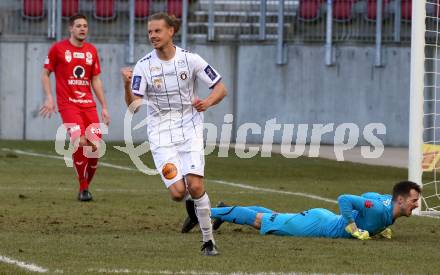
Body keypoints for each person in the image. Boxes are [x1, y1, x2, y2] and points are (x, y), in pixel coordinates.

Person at [120, 12, 227, 256]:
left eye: (157, 31)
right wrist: (127, 85)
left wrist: (208, 102)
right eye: (149, 32)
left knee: (196, 185)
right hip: (160, 134)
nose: (152, 36)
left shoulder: (191, 60)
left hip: (190, 129)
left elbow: (221, 88)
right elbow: (133, 107)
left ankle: (208, 241)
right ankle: (197, 208)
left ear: (171, 32)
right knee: (179, 193)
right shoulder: (144, 66)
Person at [40, 14, 110, 202]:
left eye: (85, 26)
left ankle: (86, 184)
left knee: (95, 145)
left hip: (88, 105)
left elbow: (95, 79)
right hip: (68, 104)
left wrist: (104, 106)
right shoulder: (58, 49)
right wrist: (49, 98)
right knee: (80, 141)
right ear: (71, 28)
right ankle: (83, 187)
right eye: (78, 25)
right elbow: (46, 73)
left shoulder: (91, 51)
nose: (82, 29)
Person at [208, 181, 420, 240]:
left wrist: (379, 228)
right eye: (413, 200)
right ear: (399, 200)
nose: (417, 204)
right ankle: (208, 213)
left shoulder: (386, 206)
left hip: (324, 219)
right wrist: (353, 225)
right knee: (260, 220)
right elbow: (345, 199)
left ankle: (224, 210)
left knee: (273, 216)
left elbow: (368, 195)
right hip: (318, 225)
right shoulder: (377, 208)